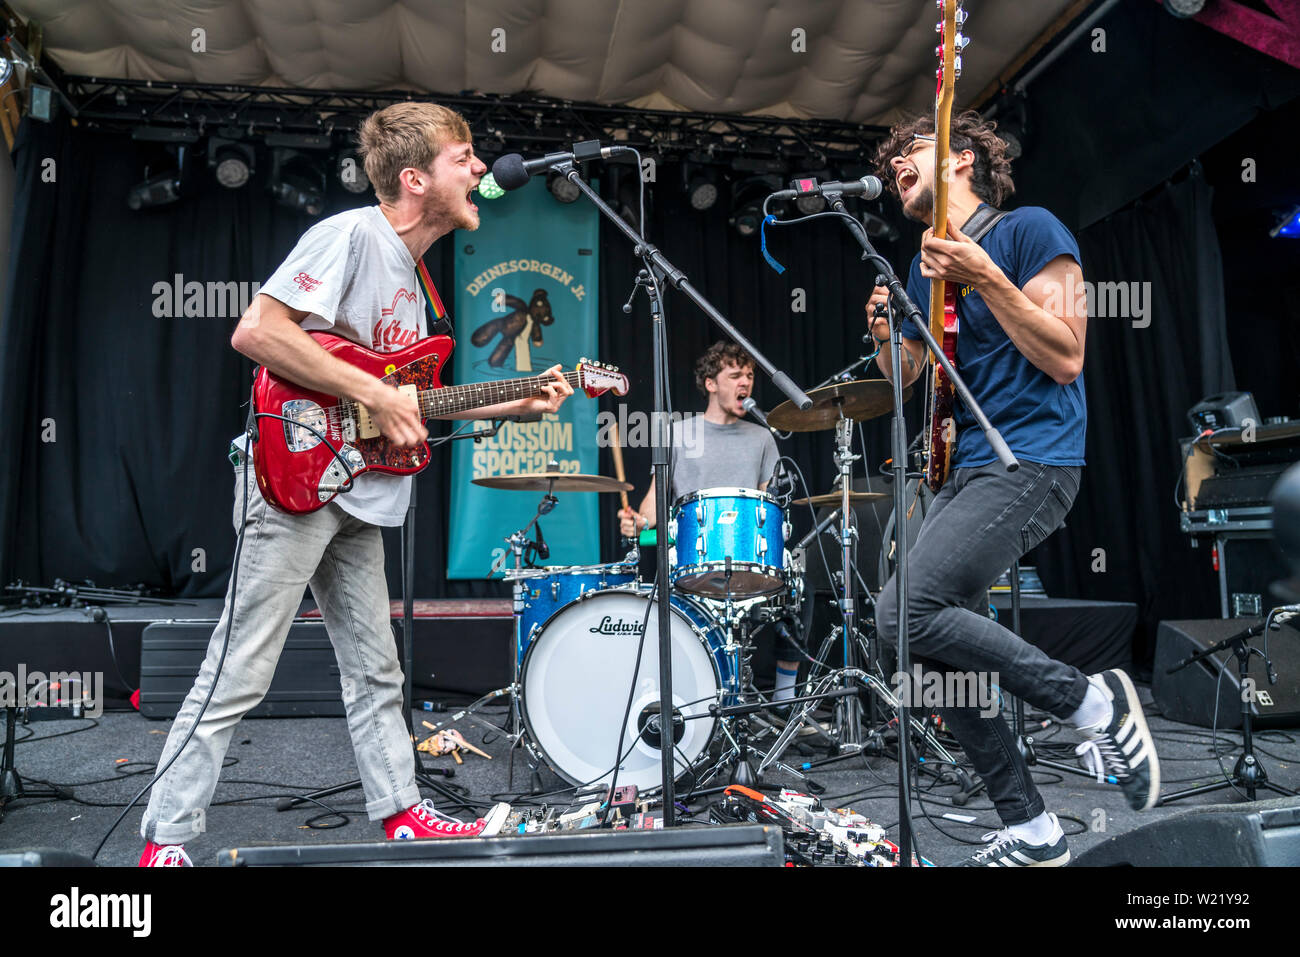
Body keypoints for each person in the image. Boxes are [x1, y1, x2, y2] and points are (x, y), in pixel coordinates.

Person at [137, 103, 573, 866]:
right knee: (239, 666)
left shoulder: (418, 275)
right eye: (463, 156)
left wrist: (520, 397)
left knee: (376, 666)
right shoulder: (351, 235)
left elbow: (412, 400)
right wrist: (373, 395)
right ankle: (166, 840)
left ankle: (402, 810)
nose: (479, 169)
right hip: (295, 474)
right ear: (414, 178)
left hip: (358, 490)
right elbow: (259, 332)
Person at [867, 111, 1159, 866]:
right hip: (963, 469)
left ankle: (1090, 699)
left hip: (1032, 458)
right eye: (891, 156)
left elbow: (1066, 355)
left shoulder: (1029, 228)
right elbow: (907, 381)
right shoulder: (920, 268)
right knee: (920, 651)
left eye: (913, 149)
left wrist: (985, 275)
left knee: (905, 609)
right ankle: (1033, 828)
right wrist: (886, 336)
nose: (898, 161)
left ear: (961, 158)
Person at [617, 343, 804, 704]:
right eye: (735, 375)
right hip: (693, 557)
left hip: (749, 554)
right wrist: (637, 523)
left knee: (799, 591)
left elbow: (769, 505)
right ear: (711, 384)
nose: (745, 382)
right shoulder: (678, 433)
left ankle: (784, 701)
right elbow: (655, 503)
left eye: (749, 376)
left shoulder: (762, 437)